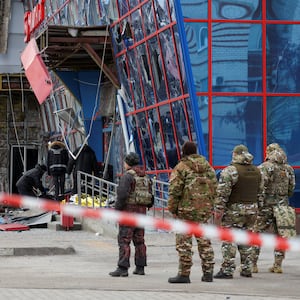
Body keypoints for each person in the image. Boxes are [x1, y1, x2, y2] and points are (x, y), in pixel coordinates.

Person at [168, 141, 217, 284]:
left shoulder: (181, 167)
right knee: (204, 241)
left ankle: (184, 274)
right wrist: (210, 205)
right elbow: (215, 187)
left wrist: (172, 209)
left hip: (185, 211)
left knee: (184, 243)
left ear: (183, 152)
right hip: (204, 210)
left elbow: (174, 190)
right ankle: (208, 273)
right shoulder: (208, 167)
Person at [214, 144, 262, 279]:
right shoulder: (257, 171)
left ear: (235, 154)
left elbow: (223, 193)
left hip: (234, 211)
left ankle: (227, 270)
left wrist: (219, 209)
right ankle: (247, 269)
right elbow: (261, 192)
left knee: (229, 239)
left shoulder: (230, 171)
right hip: (252, 210)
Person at [251, 143, 295, 274]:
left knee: (257, 233)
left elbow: (260, 187)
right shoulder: (288, 169)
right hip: (282, 205)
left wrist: (259, 203)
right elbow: (291, 188)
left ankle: (252, 264)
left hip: (266, 206)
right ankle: (277, 265)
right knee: (280, 235)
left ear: (269, 152)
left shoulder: (265, 167)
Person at [109, 152, 152, 277]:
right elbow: (150, 195)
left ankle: (123, 268)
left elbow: (122, 195)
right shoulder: (144, 176)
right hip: (142, 212)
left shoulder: (127, 176)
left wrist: (117, 211)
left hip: (129, 212)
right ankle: (140, 267)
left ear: (127, 163)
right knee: (139, 240)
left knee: (124, 239)